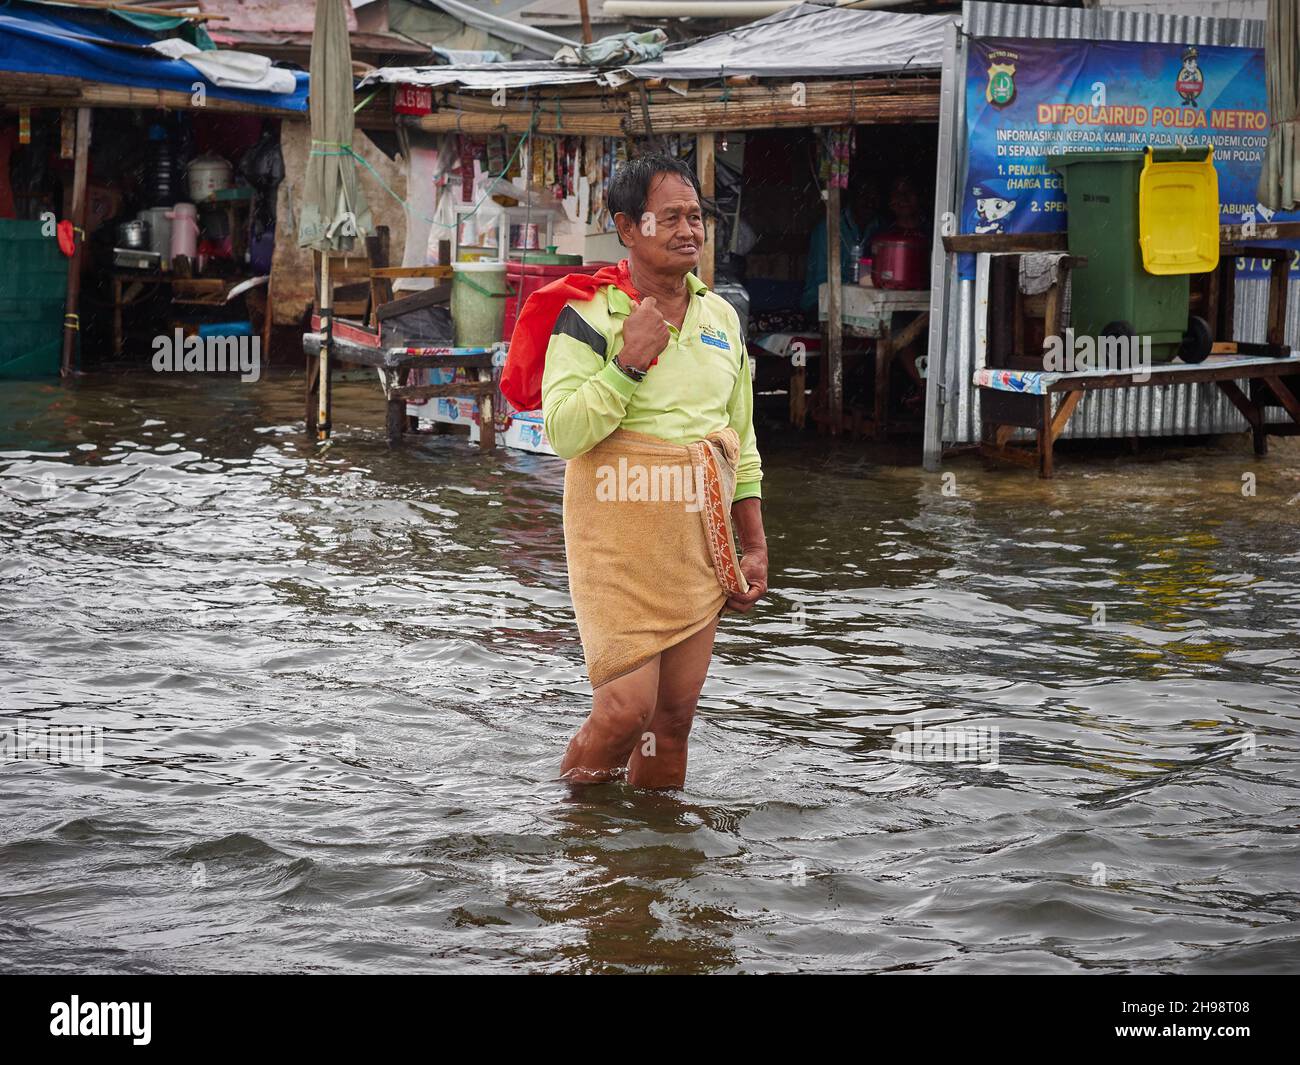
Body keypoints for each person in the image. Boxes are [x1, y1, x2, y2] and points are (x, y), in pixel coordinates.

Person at [538, 153, 768, 789]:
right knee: (623, 711)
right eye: (669, 218)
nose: (688, 230)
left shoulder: (722, 319)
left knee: (670, 720)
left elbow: (741, 444)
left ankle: (655, 860)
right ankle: (577, 831)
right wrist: (628, 364)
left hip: (697, 539)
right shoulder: (587, 315)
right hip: (616, 535)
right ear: (626, 227)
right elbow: (562, 433)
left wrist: (753, 544)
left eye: (695, 217)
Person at [800, 179, 881, 314]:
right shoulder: (829, 228)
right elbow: (824, 281)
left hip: (865, 302)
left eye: (874, 196)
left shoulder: (879, 228)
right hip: (820, 302)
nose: (869, 201)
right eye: (864, 195)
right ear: (852, 197)